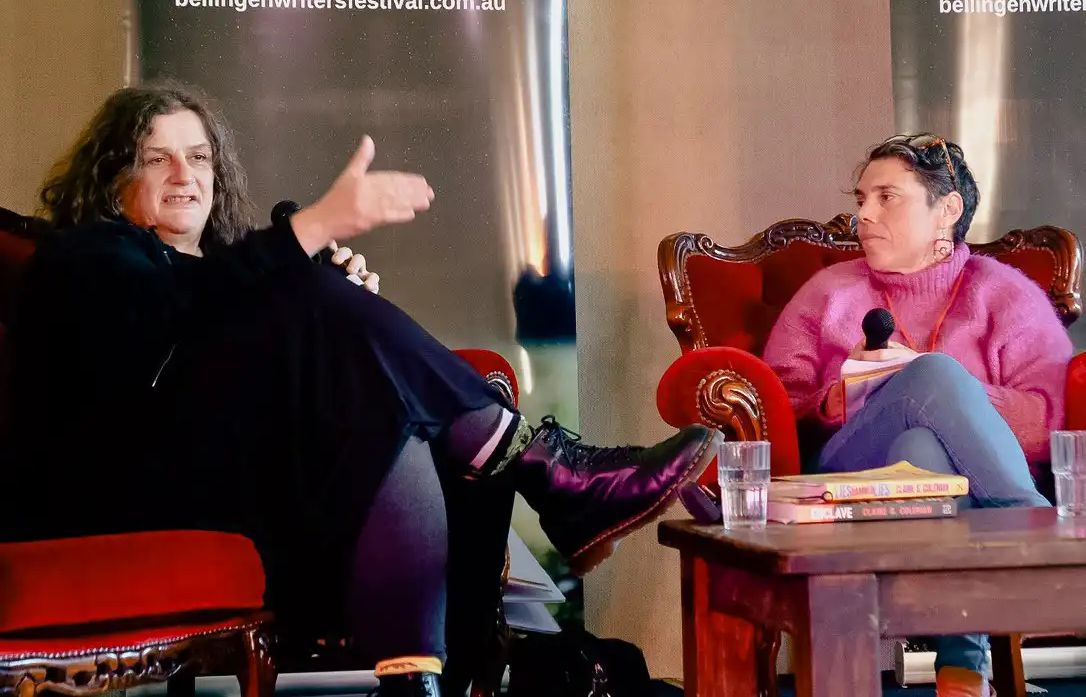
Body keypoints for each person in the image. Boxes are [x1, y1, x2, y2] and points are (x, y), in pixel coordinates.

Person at [0, 82, 722, 697]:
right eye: (157, 157)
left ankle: (422, 681)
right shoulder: (83, 258)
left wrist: (339, 315)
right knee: (328, 321)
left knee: (382, 405)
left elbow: (235, 332)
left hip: (265, 487)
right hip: (130, 496)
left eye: (199, 156)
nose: (184, 173)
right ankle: (549, 469)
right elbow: (166, 317)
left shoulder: (235, 271)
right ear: (113, 174)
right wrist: (309, 253)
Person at [762, 133, 1072, 697]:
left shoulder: (1005, 294)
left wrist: (950, 400)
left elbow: (1046, 418)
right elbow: (776, 400)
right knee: (929, 377)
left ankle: (961, 674)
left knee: (924, 447)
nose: (864, 214)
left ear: (947, 209)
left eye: (887, 197)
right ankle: (1038, 535)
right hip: (847, 476)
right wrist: (837, 398)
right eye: (862, 199)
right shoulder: (827, 292)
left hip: (948, 486)